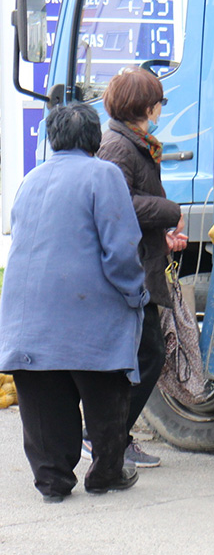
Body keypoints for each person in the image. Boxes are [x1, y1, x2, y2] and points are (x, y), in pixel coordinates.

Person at [0, 103, 149, 502]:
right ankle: (106, 474)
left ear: (53, 137)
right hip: (88, 313)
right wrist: (135, 293)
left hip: (26, 316)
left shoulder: (30, 179)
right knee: (104, 391)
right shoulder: (104, 174)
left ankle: (52, 482)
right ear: (95, 139)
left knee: (44, 399)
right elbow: (120, 250)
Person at [96, 66, 188, 469]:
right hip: (127, 269)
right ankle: (105, 435)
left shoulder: (136, 142)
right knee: (146, 354)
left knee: (142, 353)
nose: (160, 109)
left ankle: (113, 435)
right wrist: (170, 211)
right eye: (158, 102)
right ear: (146, 106)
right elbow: (120, 203)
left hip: (143, 259)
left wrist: (162, 231)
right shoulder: (118, 146)